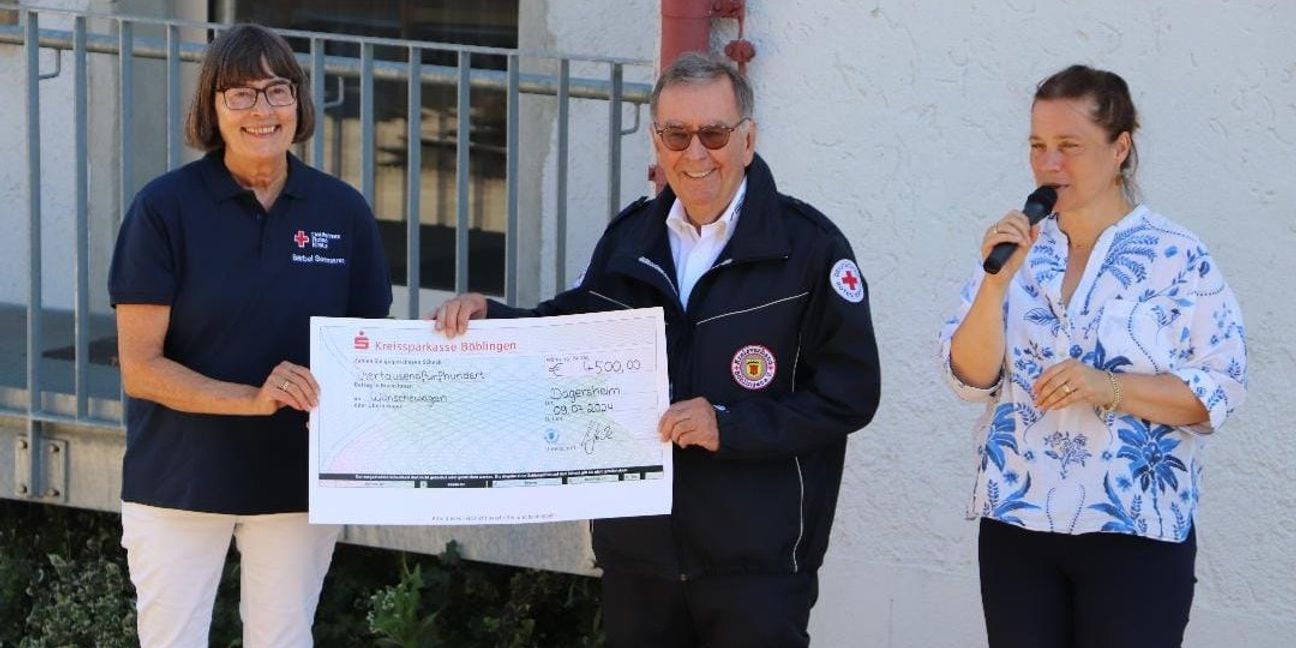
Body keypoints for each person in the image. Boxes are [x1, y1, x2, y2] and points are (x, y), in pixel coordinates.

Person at [433, 52, 880, 647]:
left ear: (748, 139)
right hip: (639, 561)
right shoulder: (630, 238)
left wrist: (730, 426)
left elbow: (850, 396)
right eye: (677, 134)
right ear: (657, 140)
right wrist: (495, 322)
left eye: (714, 133)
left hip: (757, 568)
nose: (695, 154)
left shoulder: (810, 250)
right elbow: (570, 336)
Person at [939, 64, 1247, 647]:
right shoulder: (1022, 248)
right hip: (1017, 524)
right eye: (1037, 146)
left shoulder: (1176, 256)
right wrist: (996, 286)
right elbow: (970, 379)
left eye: (1069, 146)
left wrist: (1109, 387)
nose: (1048, 164)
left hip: (1134, 529)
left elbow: (1218, 389)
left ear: (1120, 147)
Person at [108, 24, 391, 648]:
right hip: (180, 479)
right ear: (211, 108)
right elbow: (141, 367)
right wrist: (251, 398)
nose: (262, 110)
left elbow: (369, 349)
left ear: (300, 102)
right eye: (239, 94)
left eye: (277, 90)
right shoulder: (164, 209)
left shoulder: (341, 211)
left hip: (296, 479)